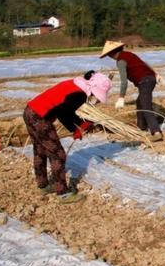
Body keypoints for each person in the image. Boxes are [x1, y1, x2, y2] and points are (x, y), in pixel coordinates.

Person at [23, 71, 111, 203]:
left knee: (40, 151)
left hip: (30, 111)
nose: (94, 96)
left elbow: (66, 110)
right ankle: (63, 193)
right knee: (58, 155)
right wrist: (75, 129)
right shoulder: (79, 94)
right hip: (39, 118)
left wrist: (81, 124)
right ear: (94, 87)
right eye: (95, 93)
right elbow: (63, 114)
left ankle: (43, 185)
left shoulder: (75, 84)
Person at [100, 40, 163, 142]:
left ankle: (156, 132)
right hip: (150, 79)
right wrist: (155, 74)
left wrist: (121, 97)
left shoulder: (120, 61)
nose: (109, 57)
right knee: (140, 102)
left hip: (144, 81)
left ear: (112, 53)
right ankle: (141, 127)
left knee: (146, 106)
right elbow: (144, 64)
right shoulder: (129, 54)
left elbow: (123, 81)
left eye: (108, 55)